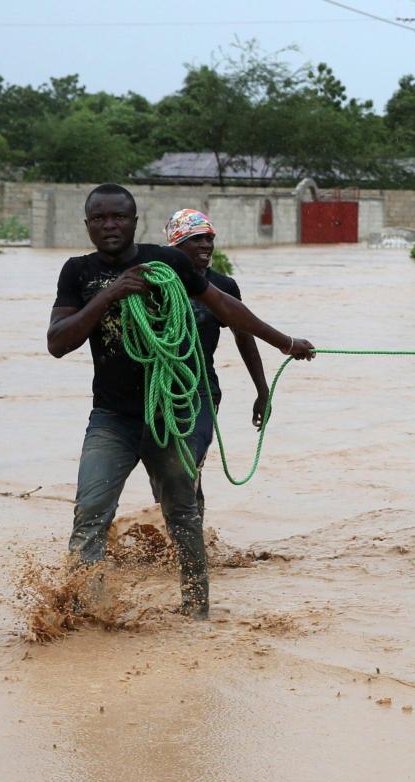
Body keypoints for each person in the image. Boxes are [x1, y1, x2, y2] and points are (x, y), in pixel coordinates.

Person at [48, 184, 314, 619]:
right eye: (100, 218)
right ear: (88, 225)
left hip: (173, 412)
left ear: (135, 222)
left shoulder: (167, 261)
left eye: (118, 217)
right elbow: (58, 343)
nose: (109, 225)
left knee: (183, 514)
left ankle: (196, 612)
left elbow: (226, 307)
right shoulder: (76, 272)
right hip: (111, 418)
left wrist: (284, 342)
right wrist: (110, 294)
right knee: (90, 514)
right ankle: (86, 615)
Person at [148, 209, 270, 519]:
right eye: (195, 239)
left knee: (186, 465)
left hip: (201, 391)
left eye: (209, 238)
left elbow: (245, 336)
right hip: (155, 393)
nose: (206, 245)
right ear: (175, 247)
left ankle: (192, 548)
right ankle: (180, 534)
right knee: (163, 476)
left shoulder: (224, 287)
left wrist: (262, 389)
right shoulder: (153, 285)